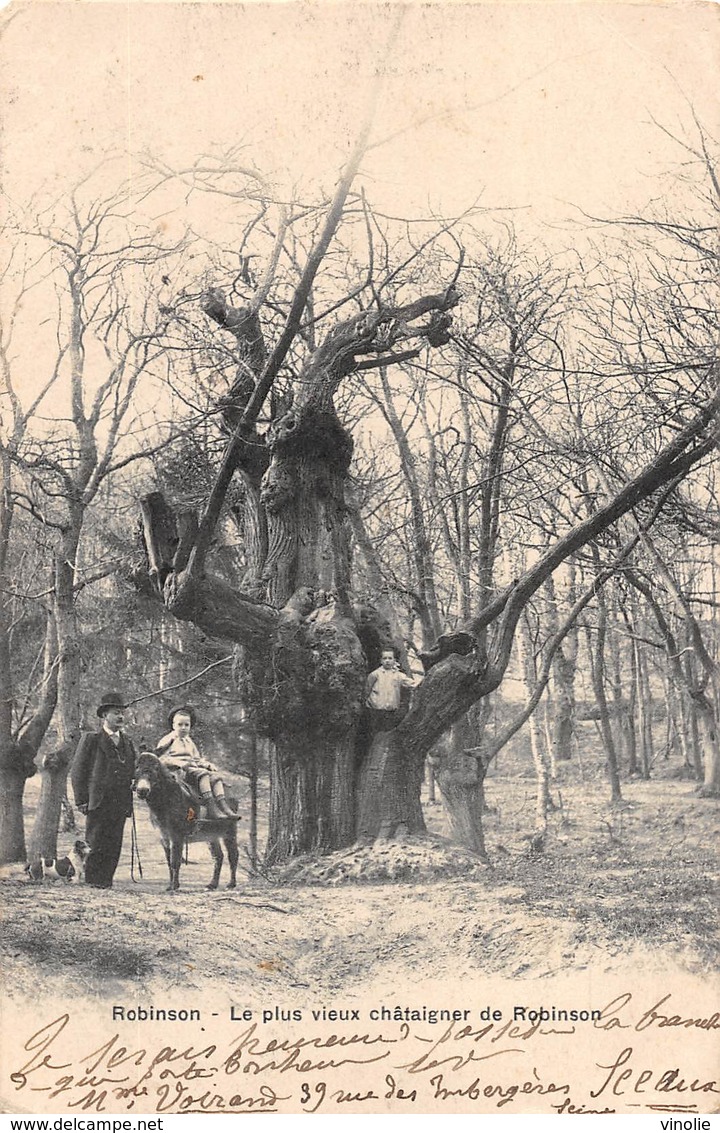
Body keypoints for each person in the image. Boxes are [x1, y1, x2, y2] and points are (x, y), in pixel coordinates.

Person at [71, 691, 137, 889]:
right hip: (98, 801)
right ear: (103, 716)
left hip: (120, 802)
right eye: (116, 713)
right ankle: (92, 881)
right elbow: (78, 772)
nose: (120, 717)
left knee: (114, 843)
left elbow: (132, 770)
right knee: (96, 841)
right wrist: (81, 800)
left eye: (122, 713)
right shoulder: (91, 739)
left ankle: (107, 882)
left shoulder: (128, 742)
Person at [155, 706, 237, 818]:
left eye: (186, 725)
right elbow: (161, 759)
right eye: (180, 725)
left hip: (192, 770)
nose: (183, 728)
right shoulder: (167, 740)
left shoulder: (189, 741)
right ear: (173, 725)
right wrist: (179, 763)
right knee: (203, 774)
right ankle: (211, 807)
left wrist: (206, 764)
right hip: (177, 773)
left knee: (215, 777)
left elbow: (196, 759)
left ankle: (223, 806)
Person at [365, 647, 423, 734]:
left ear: (394, 660)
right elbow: (367, 689)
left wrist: (421, 682)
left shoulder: (399, 675)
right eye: (385, 658)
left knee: (386, 731)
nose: (387, 661)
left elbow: (412, 684)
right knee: (374, 731)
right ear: (381, 661)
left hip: (390, 711)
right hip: (375, 710)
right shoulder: (375, 674)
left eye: (390, 658)